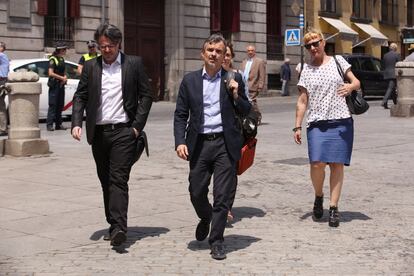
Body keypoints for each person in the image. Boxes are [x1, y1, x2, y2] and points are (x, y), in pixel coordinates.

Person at [71, 24, 153, 247]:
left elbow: (146, 96)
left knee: (118, 179)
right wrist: (76, 123)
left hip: (123, 133)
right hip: (98, 133)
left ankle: (119, 227)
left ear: (119, 44)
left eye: (110, 46)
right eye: (102, 46)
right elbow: (80, 96)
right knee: (105, 180)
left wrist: (136, 127)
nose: (105, 50)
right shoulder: (90, 66)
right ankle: (112, 222)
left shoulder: (133, 64)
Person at [174, 33, 251, 260]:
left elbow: (247, 110)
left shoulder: (232, 78)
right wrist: (180, 141)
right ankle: (205, 217)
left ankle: (216, 240)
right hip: (198, 144)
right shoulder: (190, 81)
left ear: (224, 55)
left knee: (222, 196)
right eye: (210, 50)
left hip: (224, 144)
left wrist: (237, 94)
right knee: (196, 192)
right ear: (203, 53)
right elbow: (180, 114)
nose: (214, 54)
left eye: (219, 51)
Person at [294, 29, 360, 228]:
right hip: (316, 122)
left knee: (337, 165)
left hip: (341, 121)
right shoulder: (305, 69)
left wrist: (350, 87)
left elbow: (356, 82)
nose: (313, 48)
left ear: (323, 42)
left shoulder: (338, 61)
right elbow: (302, 100)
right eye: (309, 45)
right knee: (317, 163)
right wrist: (297, 125)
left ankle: (333, 207)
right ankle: (318, 195)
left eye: (316, 43)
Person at [241, 45, 266, 124]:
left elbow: (262, 74)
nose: (250, 52)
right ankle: (249, 117)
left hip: (253, 85)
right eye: (248, 50)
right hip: (244, 85)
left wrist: (260, 86)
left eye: (252, 50)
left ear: (254, 51)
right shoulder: (244, 61)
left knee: (252, 101)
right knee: (247, 102)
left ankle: (258, 116)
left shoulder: (259, 61)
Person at [47, 41, 68, 131]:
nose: (66, 51)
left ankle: (59, 124)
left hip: (61, 85)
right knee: (53, 105)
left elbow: (63, 72)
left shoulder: (62, 59)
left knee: (60, 105)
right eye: (65, 49)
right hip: (54, 84)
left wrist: (65, 77)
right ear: (61, 50)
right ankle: (50, 125)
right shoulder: (53, 59)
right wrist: (61, 78)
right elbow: (50, 73)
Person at [381, 43, 400, 109]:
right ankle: (384, 101)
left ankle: (395, 103)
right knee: (390, 88)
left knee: (391, 89)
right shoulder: (397, 55)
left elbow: (383, 65)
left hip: (386, 74)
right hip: (393, 74)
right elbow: (399, 64)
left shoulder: (385, 55)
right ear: (395, 48)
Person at [0, 41, 9, 136]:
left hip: (1, 81)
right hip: (2, 81)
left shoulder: (1, 55)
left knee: (1, 106)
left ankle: (3, 128)